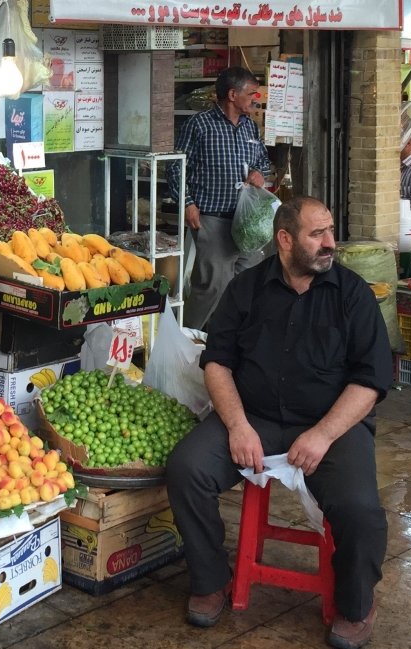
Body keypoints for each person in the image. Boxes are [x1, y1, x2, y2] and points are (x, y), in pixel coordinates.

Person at [166, 196, 393, 649]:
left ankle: (355, 603)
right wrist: (237, 425)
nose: (330, 243)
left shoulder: (353, 295)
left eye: (330, 231)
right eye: (317, 234)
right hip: (255, 418)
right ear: (285, 240)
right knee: (186, 469)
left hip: (333, 426)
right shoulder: (247, 288)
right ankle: (211, 580)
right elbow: (217, 363)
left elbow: (370, 382)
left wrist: (324, 434)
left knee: (359, 509)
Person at [167, 66, 272, 330]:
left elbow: (263, 161)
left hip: (247, 222)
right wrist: (187, 203)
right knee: (212, 286)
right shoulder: (200, 124)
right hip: (213, 219)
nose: (254, 99)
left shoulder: (249, 127)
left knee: (246, 285)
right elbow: (176, 167)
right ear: (232, 94)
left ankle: (227, 341)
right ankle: (187, 338)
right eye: (251, 93)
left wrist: (260, 172)